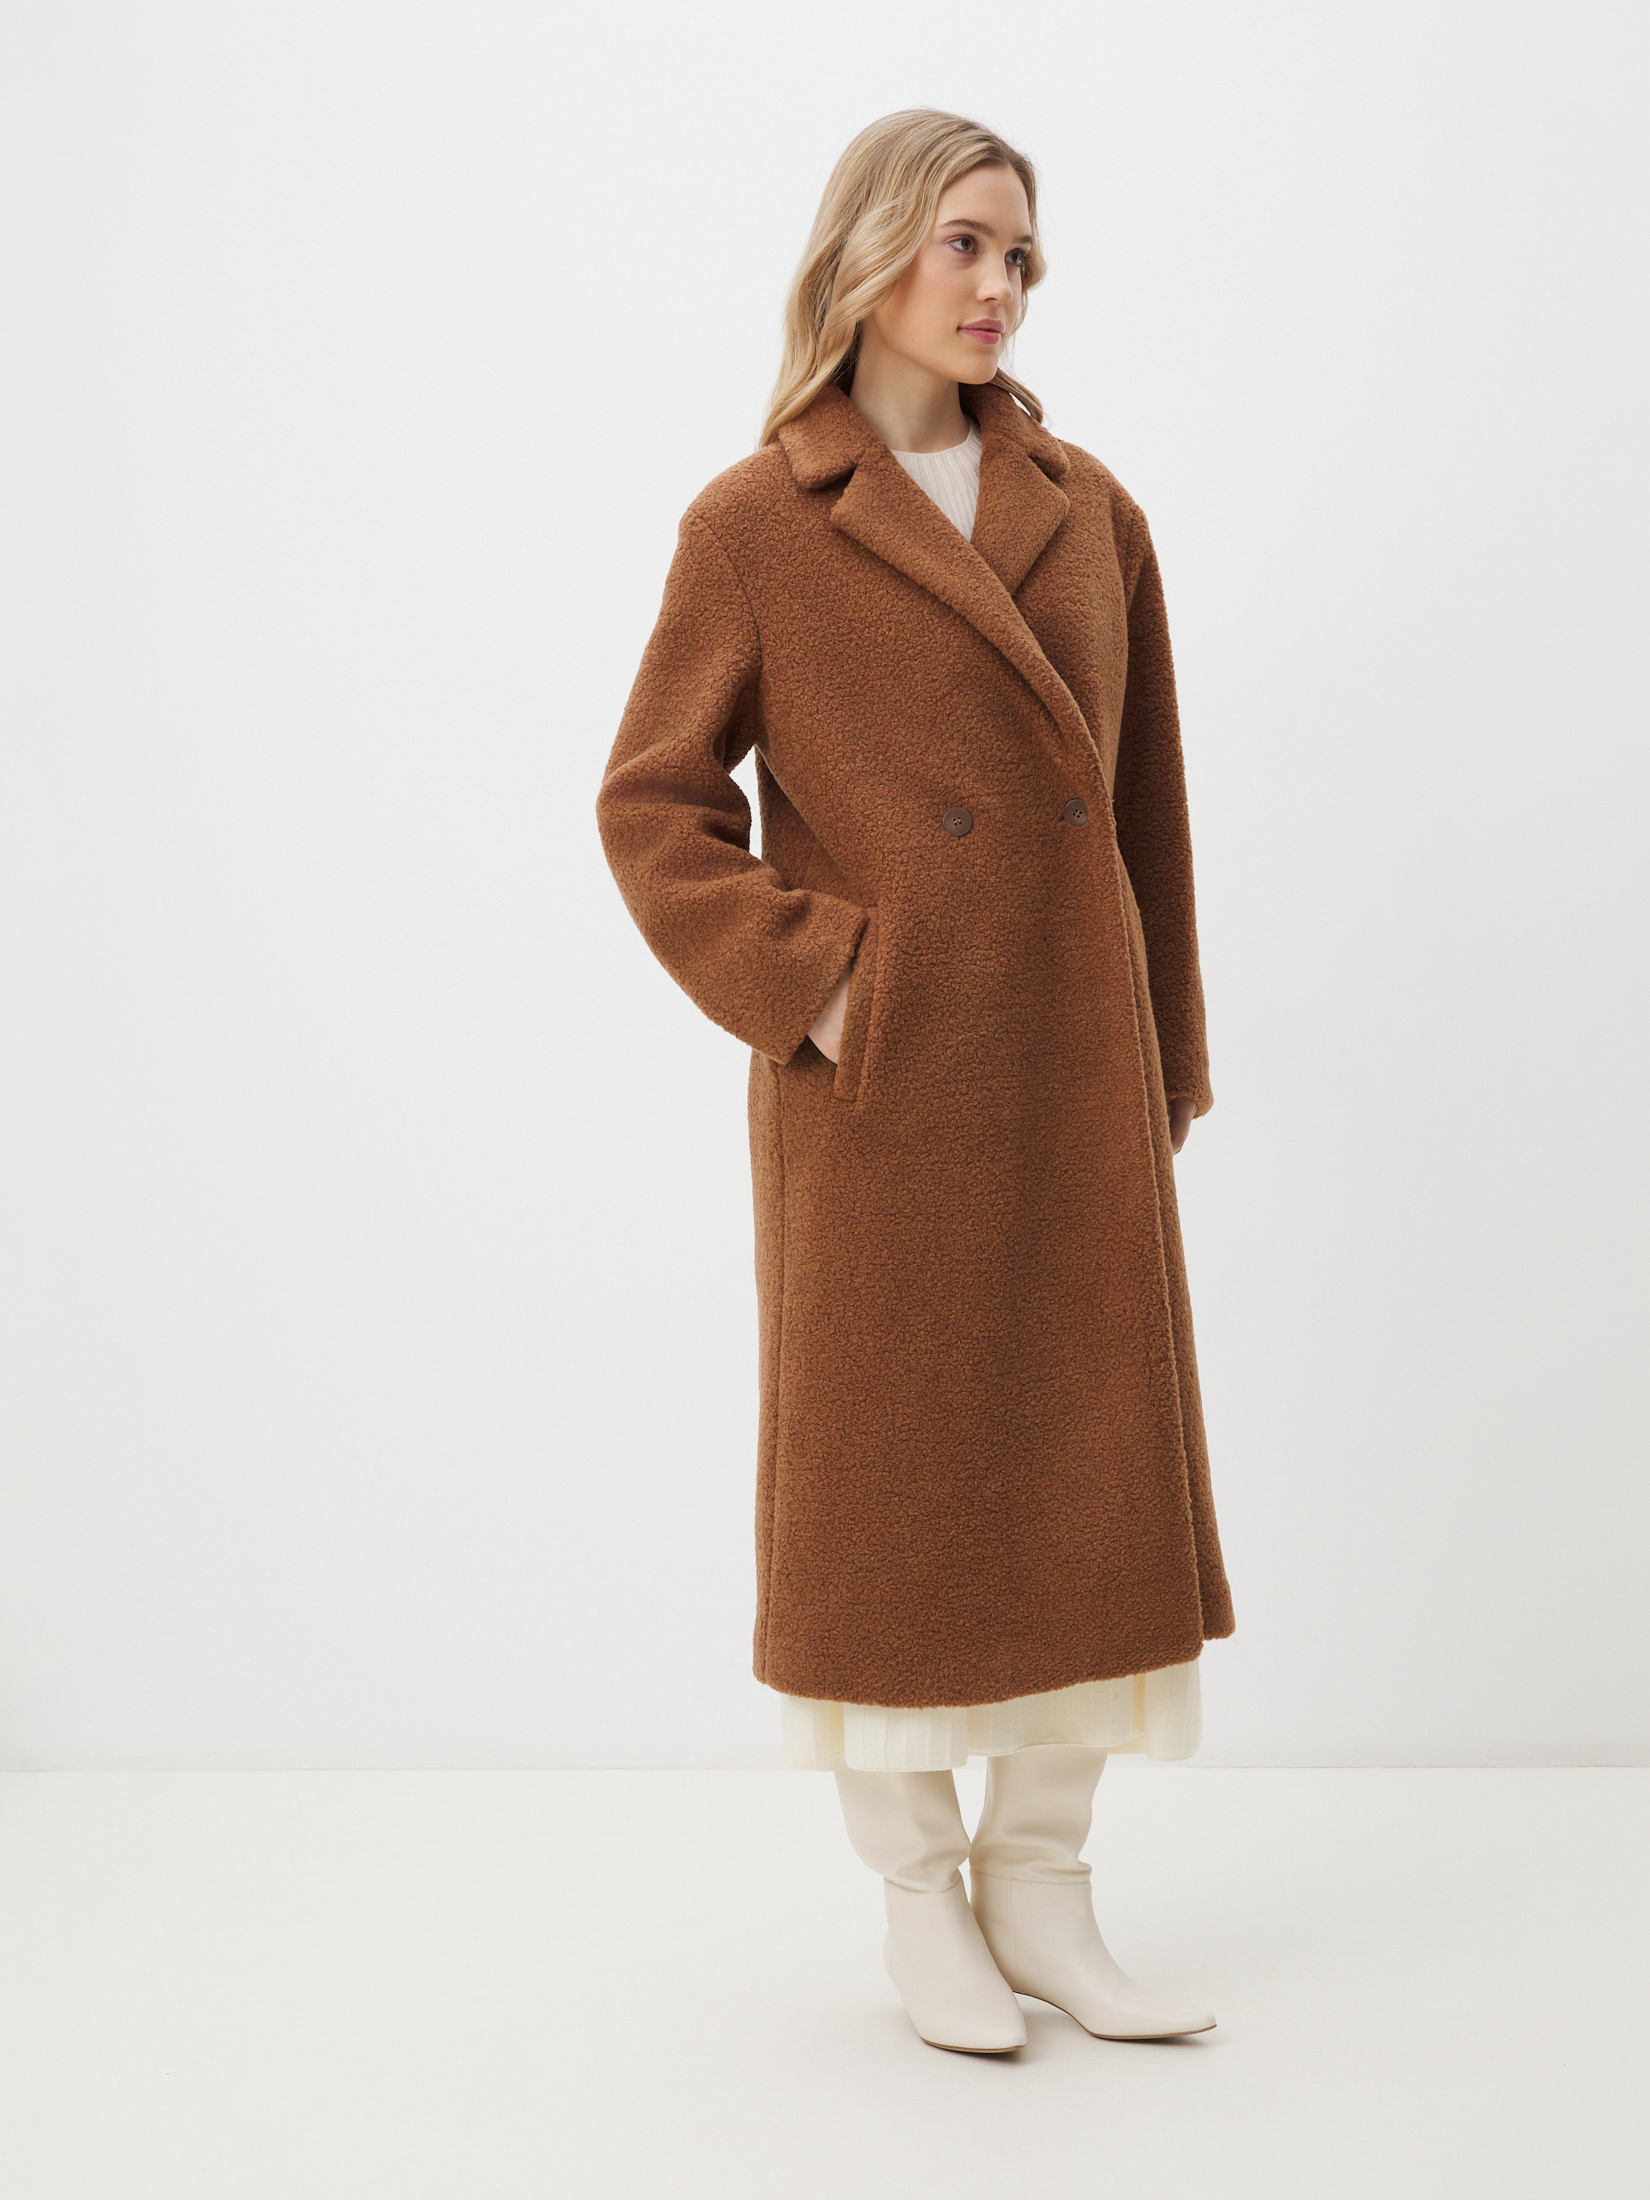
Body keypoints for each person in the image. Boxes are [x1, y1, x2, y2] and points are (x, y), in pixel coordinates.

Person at [595, 108, 1235, 2055]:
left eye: (1020, 255)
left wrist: (1163, 1055)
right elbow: (653, 803)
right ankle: (918, 1901)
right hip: (886, 1089)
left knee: (1086, 1478)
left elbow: (1145, 808)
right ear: (868, 248)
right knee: (892, 1495)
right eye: (964, 241)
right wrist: (824, 985)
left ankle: (1044, 1884)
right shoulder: (756, 520)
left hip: (1069, 1068)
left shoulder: (1088, 506)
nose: (998, 285)